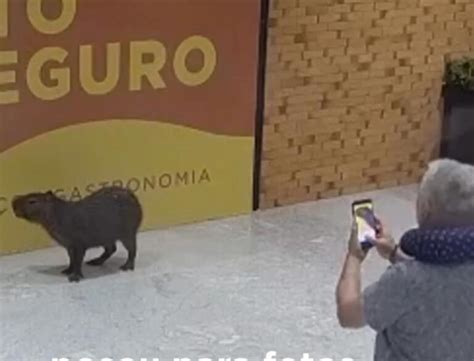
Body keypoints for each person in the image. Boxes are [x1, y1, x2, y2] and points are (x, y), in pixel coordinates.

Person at [336, 158, 474, 361]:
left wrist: (354, 256)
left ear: (425, 208)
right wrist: (393, 253)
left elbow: (349, 314)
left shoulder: (404, 281)